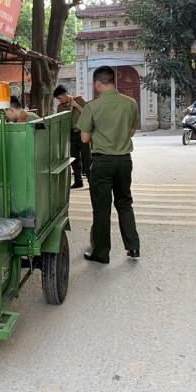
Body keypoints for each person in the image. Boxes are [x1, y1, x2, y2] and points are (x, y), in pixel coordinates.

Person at [76, 66, 140, 263]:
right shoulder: (130, 103)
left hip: (102, 162)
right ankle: (133, 248)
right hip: (124, 161)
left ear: (97, 83)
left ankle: (102, 253)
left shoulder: (92, 107)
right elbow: (132, 131)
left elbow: (85, 138)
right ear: (114, 81)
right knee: (124, 203)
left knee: (102, 208)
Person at [54, 85, 90, 189]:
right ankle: (78, 181)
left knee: (87, 158)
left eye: (60, 98)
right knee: (74, 159)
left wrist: (76, 105)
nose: (60, 100)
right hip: (71, 134)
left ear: (65, 94)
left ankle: (91, 181)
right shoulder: (61, 107)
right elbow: (59, 121)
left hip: (83, 132)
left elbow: (88, 114)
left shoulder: (80, 100)